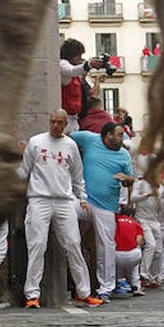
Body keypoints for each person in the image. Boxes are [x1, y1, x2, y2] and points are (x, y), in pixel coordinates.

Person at [16, 109, 103, 308]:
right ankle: (32, 294)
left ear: (65, 124)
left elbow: (77, 175)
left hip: (64, 201)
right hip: (39, 199)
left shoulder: (71, 145)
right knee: (37, 246)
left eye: (59, 123)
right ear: (49, 121)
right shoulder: (36, 142)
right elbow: (24, 170)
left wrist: (82, 197)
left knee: (73, 244)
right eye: (53, 122)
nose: (55, 126)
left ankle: (84, 292)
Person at [72, 121, 136, 302]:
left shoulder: (124, 155)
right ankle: (78, 284)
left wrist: (127, 180)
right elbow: (67, 138)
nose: (122, 138)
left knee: (106, 247)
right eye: (119, 135)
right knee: (65, 215)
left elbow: (131, 178)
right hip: (82, 200)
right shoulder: (89, 139)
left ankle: (106, 288)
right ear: (107, 135)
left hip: (106, 206)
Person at [59, 38, 105, 133]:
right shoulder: (63, 65)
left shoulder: (76, 75)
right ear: (71, 54)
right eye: (79, 55)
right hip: (66, 117)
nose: (80, 58)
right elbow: (71, 70)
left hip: (74, 118)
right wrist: (88, 65)